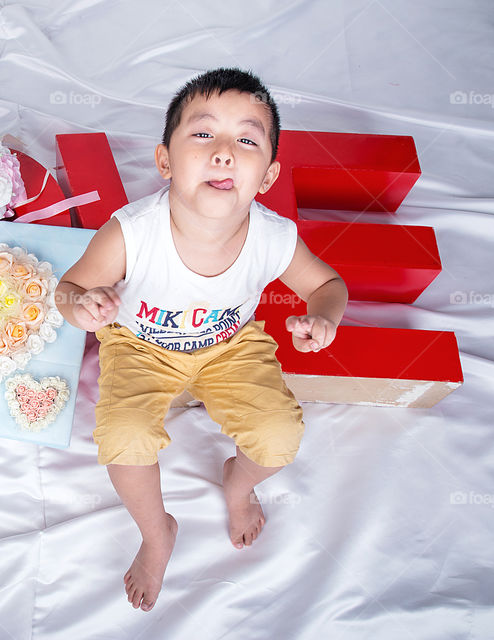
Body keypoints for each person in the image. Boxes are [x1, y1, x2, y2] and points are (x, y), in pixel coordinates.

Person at [54, 68, 348, 612]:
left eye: (246, 139)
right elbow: (68, 288)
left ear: (266, 175)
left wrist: (323, 317)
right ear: (164, 160)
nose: (223, 153)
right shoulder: (131, 231)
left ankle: (238, 484)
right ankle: (156, 531)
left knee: (280, 434)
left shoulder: (273, 236)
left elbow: (327, 284)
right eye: (203, 134)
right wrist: (83, 306)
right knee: (123, 435)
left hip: (229, 344)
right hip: (139, 345)